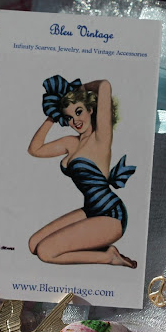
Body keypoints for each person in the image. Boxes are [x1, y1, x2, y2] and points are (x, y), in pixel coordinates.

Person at [27, 75, 137, 268]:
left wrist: (81, 89)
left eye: (79, 112)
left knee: (45, 252)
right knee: (33, 244)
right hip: (90, 210)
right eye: (69, 117)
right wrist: (52, 116)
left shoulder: (101, 138)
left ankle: (108, 257)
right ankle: (99, 249)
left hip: (111, 215)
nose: (75, 121)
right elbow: (34, 150)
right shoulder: (71, 143)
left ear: (90, 109)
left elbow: (104, 85)